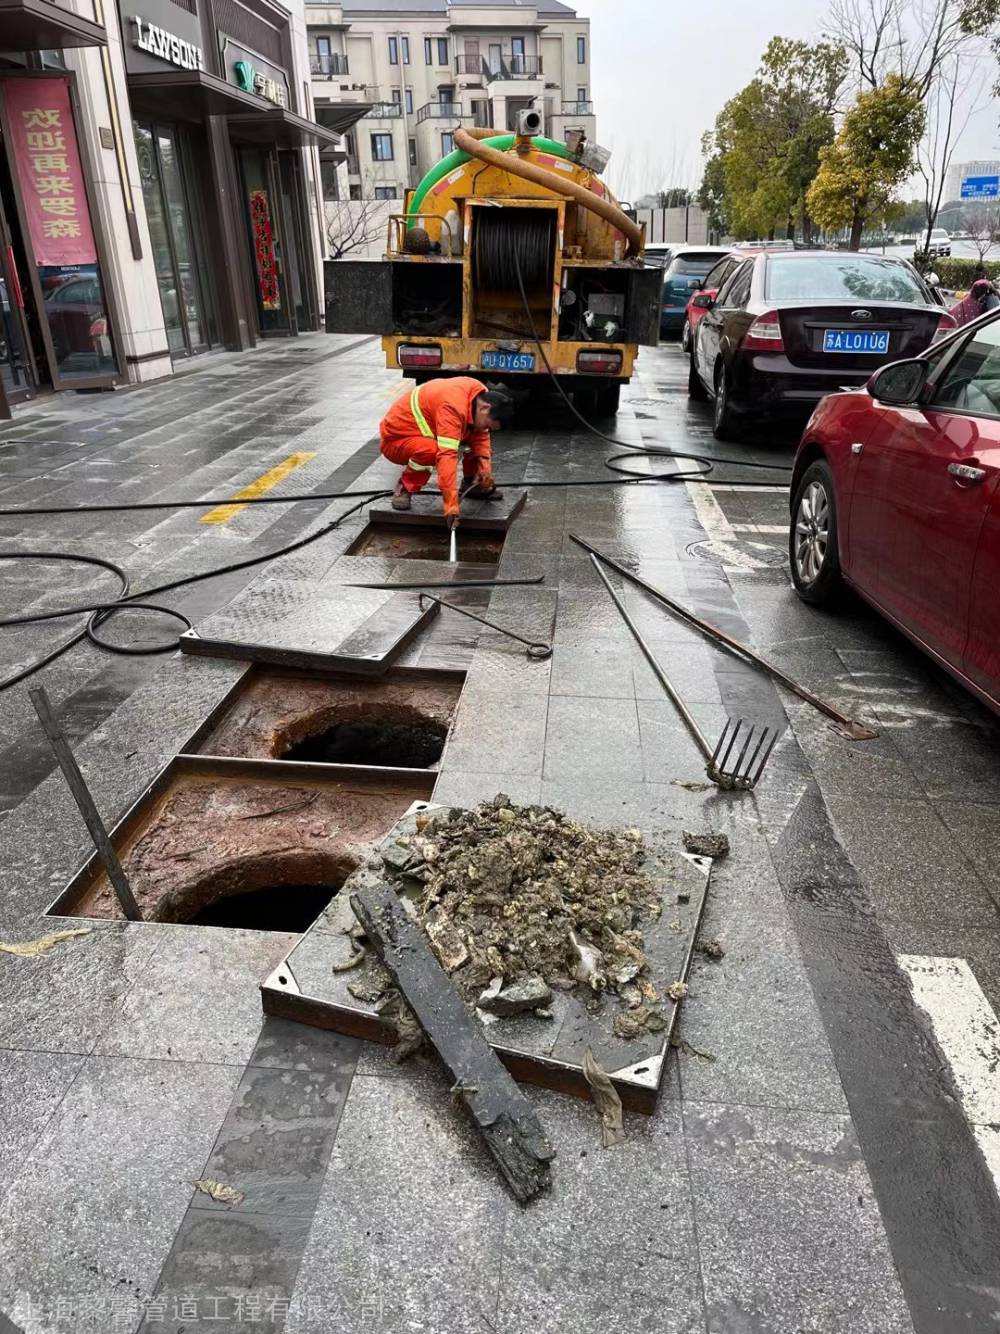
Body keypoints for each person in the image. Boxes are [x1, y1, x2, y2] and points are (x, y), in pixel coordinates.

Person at [379, 377, 514, 527]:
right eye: (487, 425)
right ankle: (405, 488)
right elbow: (447, 457)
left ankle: (471, 484)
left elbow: (481, 438)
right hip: (396, 441)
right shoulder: (452, 407)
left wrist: (485, 471)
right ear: (484, 408)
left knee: (473, 432)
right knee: (432, 451)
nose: (486, 429)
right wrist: (451, 506)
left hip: (430, 431)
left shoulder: (479, 395)